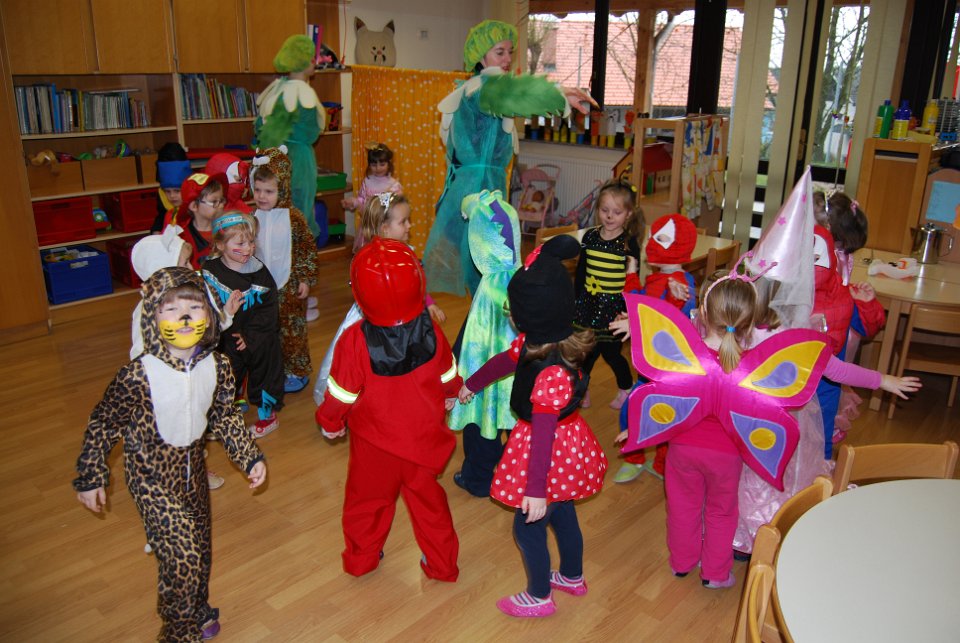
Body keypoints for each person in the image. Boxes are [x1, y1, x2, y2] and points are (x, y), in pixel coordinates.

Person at [73, 267, 266, 642]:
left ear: (209, 313)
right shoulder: (138, 374)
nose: (184, 317)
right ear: (152, 317)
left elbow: (225, 416)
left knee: (200, 548)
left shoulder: (219, 366)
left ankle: (196, 607)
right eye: (171, 309)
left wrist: (249, 457)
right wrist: (91, 475)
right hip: (151, 476)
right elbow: (104, 422)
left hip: (193, 470)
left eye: (194, 307)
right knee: (182, 556)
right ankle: (177, 632)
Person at [458, 235, 607, 617]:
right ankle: (571, 576)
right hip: (568, 446)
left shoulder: (549, 373)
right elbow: (504, 361)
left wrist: (535, 491)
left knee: (528, 526)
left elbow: (543, 437)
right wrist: (471, 384)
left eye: (514, 309)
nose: (510, 315)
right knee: (564, 512)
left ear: (529, 315)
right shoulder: (545, 342)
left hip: (546, 452)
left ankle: (539, 596)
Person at [316, 238, 463, 581]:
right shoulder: (431, 328)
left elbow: (340, 394)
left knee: (365, 503)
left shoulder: (353, 340)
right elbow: (447, 371)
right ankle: (442, 565)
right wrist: (453, 391)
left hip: (374, 446)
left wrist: (330, 422)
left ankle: (361, 560)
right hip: (423, 440)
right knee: (430, 505)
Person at [422, 19, 594, 296]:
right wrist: (556, 94)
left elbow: (513, 96)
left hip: (484, 186)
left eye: (510, 52)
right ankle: (485, 318)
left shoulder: (487, 88)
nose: (507, 59)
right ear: (481, 57)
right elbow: (517, 95)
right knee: (486, 270)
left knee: (486, 272)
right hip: (475, 190)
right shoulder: (482, 89)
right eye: (499, 52)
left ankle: (483, 316)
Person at [313, 192, 444, 404]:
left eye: (408, 220)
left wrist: (428, 303)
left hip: (404, 320)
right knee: (368, 357)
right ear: (384, 229)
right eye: (403, 222)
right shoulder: (368, 260)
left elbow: (415, 284)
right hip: (373, 318)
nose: (409, 226)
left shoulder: (407, 253)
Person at [613, 212, 698, 483]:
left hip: (665, 367)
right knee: (647, 410)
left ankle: (647, 460)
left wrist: (636, 324)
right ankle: (646, 459)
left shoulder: (680, 284)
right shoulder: (659, 278)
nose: (651, 245)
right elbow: (639, 300)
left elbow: (669, 318)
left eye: (660, 239)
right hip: (650, 362)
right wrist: (631, 273)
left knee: (648, 411)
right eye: (652, 238)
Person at [447, 190, 521, 497]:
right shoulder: (521, 279)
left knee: (481, 428)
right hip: (517, 386)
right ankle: (513, 474)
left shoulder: (490, 290)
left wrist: (454, 372)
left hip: (482, 384)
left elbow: (471, 340)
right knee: (514, 427)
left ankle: (476, 480)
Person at [202, 212, 285, 438]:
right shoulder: (210, 272)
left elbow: (269, 311)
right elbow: (205, 306)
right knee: (226, 377)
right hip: (225, 337)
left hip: (258, 339)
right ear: (220, 245)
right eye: (240, 244)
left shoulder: (259, 273)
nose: (248, 248)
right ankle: (222, 415)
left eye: (250, 242)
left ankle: (268, 417)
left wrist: (249, 336)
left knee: (263, 376)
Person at [250, 146, 318, 394]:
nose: (262, 196)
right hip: (262, 287)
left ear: (283, 189)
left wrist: (305, 278)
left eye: (269, 191)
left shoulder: (294, 218)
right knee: (267, 330)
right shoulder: (253, 217)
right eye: (257, 190)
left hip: (289, 286)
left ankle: (297, 371)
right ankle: (275, 367)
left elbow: (307, 250)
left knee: (292, 331)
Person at [573, 178, 643, 411]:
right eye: (605, 210)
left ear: (628, 214)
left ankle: (626, 388)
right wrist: (576, 300)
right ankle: (581, 389)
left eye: (617, 212)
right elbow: (581, 270)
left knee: (612, 354)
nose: (610, 216)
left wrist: (628, 311)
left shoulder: (628, 243)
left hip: (614, 309)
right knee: (586, 353)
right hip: (588, 304)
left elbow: (632, 280)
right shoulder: (590, 237)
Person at [254, 35, 326, 239]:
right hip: (299, 161)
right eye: (312, 58)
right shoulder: (304, 95)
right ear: (303, 62)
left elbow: (260, 127)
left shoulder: (276, 90)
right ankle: (299, 252)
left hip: (272, 159)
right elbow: (311, 131)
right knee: (300, 210)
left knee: (275, 208)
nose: (315, 63)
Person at [341, 142, 403, 250]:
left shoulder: (394, 185)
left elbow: (398, 208)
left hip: (386, 229)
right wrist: (353, 202)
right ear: (369, 165)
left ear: (389, 164)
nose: (378, 168)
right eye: (374, 165)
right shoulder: (367, 182)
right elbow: (362, 199)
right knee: (368, 253)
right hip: (369, 229)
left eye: (382, 164)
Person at [163, 173, 228, 269]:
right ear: (194, 206)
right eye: (214, 201)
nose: (221, 205)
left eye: (221, 200)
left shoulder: (228, 231)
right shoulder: (180, 239)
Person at [150, 142, 192, 233]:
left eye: (177, 191)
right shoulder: (162, 194)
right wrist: (156, 230)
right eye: (167, 191)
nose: (172, 196)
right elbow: (162, 215)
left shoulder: (196, 202)